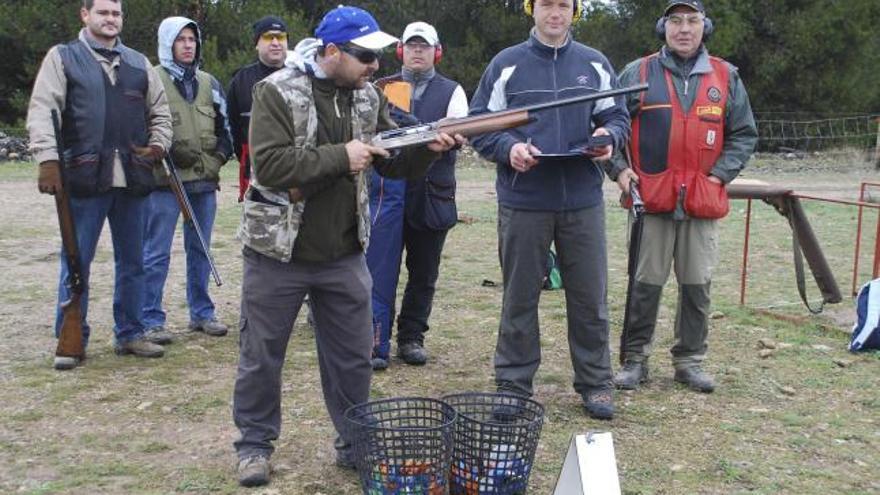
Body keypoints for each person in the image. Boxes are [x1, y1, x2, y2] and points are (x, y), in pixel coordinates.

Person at [231, 5, 464, 487]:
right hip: (278, 253)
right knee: (261, 354)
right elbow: (270, 167)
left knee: (354, 357)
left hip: (342, 252)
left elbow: (394, 161)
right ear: (331, 51)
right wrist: (343, 156)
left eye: (377, 56)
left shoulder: (366, 97)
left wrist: (428, 147)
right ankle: (254, 445)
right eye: (364, 56)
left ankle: (354, 441)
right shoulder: (275, 91)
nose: (376, 66)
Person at [469, 0, 631, 420]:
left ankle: (596, 383)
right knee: (520, 296)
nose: (554, 12)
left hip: (582, 199)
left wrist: (608, 135)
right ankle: (513, 383)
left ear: (573, 11)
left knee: (590, 296)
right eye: (546, 4)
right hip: (524, 200)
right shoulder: (506, 64)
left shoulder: (594, 63)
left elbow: (617, 114)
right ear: (531, 9)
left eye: (563, 4)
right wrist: (510, 149)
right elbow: (478, 125)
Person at [609, 0, 757, 393]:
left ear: (704, 26)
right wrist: (619, 170)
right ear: (664, 27)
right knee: (645, 284)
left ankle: (689, 360)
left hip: (701, 202)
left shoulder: (726, 76)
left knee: (697, 284)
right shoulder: (638, 72)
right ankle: (634, 359)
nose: (684, 29)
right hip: (651, 199)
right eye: (676, 21)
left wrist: (719, 176)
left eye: (692, 21)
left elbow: (744, 134)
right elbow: (610, 125)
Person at [27, 0, 173, 369]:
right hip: (83, 177)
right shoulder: (63, 58)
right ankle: (71, 339)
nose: (110, 20)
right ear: (85, 15)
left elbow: (161, 112)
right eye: (103, 13)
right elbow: (43, 109)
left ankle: (131, 333)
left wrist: (158, 145)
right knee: (77, 261)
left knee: (134, 262)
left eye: (116, 13)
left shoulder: (140, 63)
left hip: (133, 178)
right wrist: (47, 159)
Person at [366, 21, 469, 370]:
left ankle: (411, 337)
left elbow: (460, 134)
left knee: (423, 273)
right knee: (380, 269)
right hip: (385, 192)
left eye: (424, 46)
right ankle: (376, 337)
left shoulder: (452, 91)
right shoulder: (382, 88)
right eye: (411, 45)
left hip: (431, 194)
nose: (417, 51)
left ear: (436, 51)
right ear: (401, 51)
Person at [141, 17, 233, 345]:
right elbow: (140, 127)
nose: (188, 45)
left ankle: (202, 314)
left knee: (201, 251)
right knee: (155, 253)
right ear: (167, 43)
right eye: (180, 39)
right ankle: (150, 319)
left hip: (204, 183)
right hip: (164, 182)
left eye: (192, 39)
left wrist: (217, 159)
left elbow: (227, 130)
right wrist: (164, 150)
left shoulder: (209, 82)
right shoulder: (150, 79)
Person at [227, 15, 289, 202]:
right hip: (254, 168)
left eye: (281, 37)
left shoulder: (300, 77)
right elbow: (233, 126)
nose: (276, 43)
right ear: (257, 43)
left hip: (294, 167)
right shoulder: (241, 80)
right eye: (269, 37)